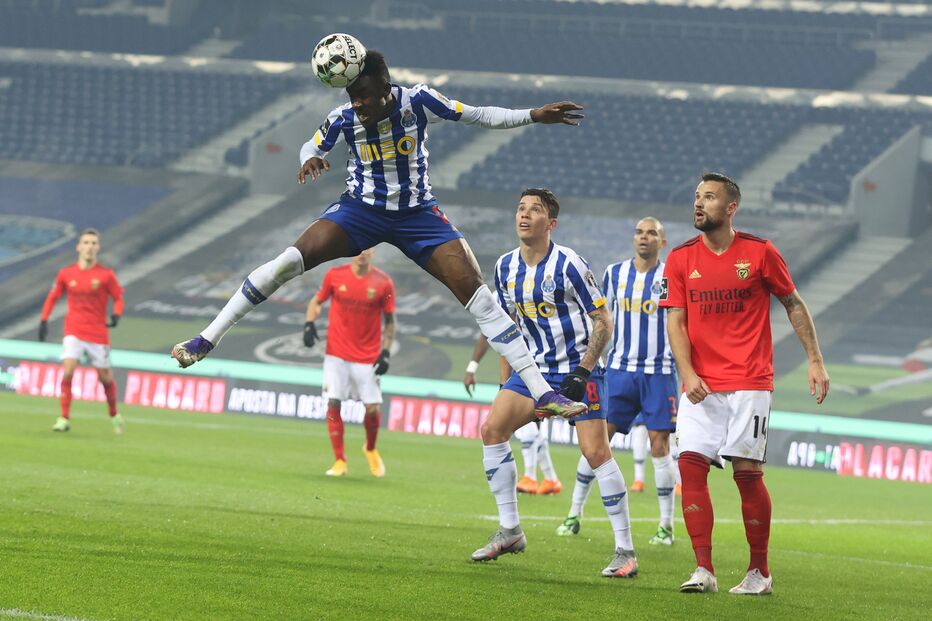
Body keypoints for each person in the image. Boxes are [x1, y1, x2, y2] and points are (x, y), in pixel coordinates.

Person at [170, 48, 587, 421]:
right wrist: (311, 158)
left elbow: (478, 114)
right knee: (287, 262)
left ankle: (544, 394)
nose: (359, 104)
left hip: (417, 214)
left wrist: (532, 115)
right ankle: (208, 337)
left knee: (480, 297)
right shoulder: (344, 118)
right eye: (352, 97)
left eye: (365, 96)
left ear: (386, 88)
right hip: (360, 210)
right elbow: (310, 145)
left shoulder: (418, 100)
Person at [660, 172, 830, 595]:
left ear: (731, 207)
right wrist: (687, 373)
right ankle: (704, 569)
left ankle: (760, 573)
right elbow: (675, 320)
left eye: (710, 198)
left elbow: (793, 303)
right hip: (701, 383)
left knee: (747, 473)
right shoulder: (680, 258)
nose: (699, 204)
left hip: (750, 380)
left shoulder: (759, 252)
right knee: (689, 465)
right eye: (697, 196)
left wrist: (814, 359)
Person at [470, 189, 637, 578]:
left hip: (579, 371)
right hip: (531, 373)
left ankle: (625, 551)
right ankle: (510, 530)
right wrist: (504, 384)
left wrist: (583, 371)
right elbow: (505, 330)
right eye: (520, 209)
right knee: (493, 429)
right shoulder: (505, 267)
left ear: (551, 223)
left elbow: (603, 321)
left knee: (596, 452)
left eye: (535, 210)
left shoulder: (570, 264)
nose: (524, 215)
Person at [555, 217, 679, 547]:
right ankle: (574, 512)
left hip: (659, 372)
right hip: (619, 371)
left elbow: (681, 322)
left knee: (660, 446)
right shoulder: (613, 274)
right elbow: (599, 319)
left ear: (661, 242)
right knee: (596, 442)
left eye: (652, 233)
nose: (644, 237)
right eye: (639, 232)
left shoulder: (669, 276)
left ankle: (666, 525)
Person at [304, 249, 394, 477]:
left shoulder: (383, 283)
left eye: (367, 249)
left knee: (372, 409)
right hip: (336, 353)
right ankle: (339, 461)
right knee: (333, 403)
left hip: (367, 356)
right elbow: (317, 300)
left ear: (373, 252)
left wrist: (385, 352)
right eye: (358, 249)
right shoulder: (335, 275)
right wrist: (309, 323)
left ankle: (370, 448)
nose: (362, 253)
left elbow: (390, 321)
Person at [39, 228, 124, 434]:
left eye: (94, 243)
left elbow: (118, 297)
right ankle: (63, 418)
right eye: (86, 242)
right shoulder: (66, 273)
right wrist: (44, 320)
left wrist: (116, 315)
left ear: (98, 248)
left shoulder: (106, 275)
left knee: (105, 377)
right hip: (74, 330)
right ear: (78, 247)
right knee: (68, 371)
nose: (90, 247)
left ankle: (113, 413)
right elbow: (53, 297)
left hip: (97, 333)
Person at [464, 338, 561, 494]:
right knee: (533, 426)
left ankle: (531, 477)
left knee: (530, 425)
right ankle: (550, 478)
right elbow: (490, 337)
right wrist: (473, 369)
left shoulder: (521, 317)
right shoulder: (507, 318)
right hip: (522, 372)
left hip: (542, 370)